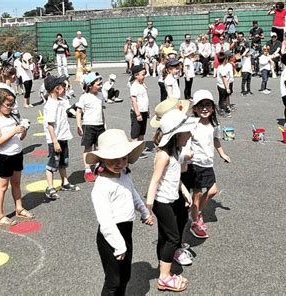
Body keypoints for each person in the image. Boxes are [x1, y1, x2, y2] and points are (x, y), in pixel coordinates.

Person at [87, 129, 153, 295]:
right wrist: (119, 245)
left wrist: (144, 212)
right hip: (110, 237)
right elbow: (105, 220)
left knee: (125, 276)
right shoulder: (102, 186)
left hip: (126, 231)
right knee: (113, 280)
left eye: (123, 158)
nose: (119, 163)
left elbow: (134, 194)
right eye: (113, 159)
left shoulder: (124, 174)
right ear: (102, 159)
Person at [146, 109, 197, 292]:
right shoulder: (164, 155)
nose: (190, 134)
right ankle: (164, 278)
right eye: (187, 131)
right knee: (173, 237)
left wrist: (184, 191)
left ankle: (163, 267)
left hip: (171, 198)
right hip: (161, 202)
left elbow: (174, 177)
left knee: (165, 236)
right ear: (176, 135)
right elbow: (154, 181)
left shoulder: (175, 152)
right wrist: (148, 208)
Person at [181, 89, 230, 239]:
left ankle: (197, 212)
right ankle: (195, 221)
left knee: (213, 190)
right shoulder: (191, 123)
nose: (204, 108)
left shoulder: (214, 123)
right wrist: (186, 156)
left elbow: (215, 139)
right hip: (194, 163)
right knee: (197, 194)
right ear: (194, 108)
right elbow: (184, 140)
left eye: (208, 105)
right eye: (200, 105)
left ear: (212, 107)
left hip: (208, 163)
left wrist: (222, 153)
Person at [0, 88, 34, 226]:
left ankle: (19, 208)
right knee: (2, 186)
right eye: (8, 104)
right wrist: (14, 130)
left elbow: (19, 137)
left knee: (17, 183)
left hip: (17, 153)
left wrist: (23, 130)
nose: (10, 107)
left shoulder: (12, 116)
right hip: (5, 157)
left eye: (12, 104)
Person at [43, 74, 80, 199]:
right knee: (53, 163)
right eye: (63, 86)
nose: (65, 87)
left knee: (63, 162)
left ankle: (65, 182)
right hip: (55, 139)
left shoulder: (61, 101)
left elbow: (69, 110)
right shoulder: (50, 105)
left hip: (63, 136)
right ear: (56, 89)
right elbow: (50, 125)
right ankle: (50, 187)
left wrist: (78, 114)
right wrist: (55, 141)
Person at [76, 72, 106, 183]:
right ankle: (88, 170)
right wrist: (79, 125)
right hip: (88, 125)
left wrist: (104, 123)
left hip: (100, 125)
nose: (101, 86)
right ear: (90, 86)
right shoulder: (84, 97)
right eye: (98, 84)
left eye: (101, 83)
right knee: (88, 148)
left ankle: (99, 166)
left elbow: (101, 111)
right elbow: (78, 112)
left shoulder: (100, 95)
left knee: (99, 147)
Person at [129, 65, 150, 145]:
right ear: (136, 75)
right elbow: (134, 101)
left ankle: (140, 149)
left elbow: (145, 98)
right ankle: (134, 149)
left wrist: (147, 110)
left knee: (142, 132)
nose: (144, 76)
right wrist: (138, 114)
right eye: (143, 74)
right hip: (137, 112)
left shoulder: (142, 85)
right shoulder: (134, 87)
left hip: (144, 111)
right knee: (135, 133)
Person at [216, 53, 232, 117]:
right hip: (223, 86)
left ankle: (221, 109)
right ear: (224, 60)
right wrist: (227, 88)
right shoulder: (222, 68)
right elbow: (224, 78)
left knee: (221, 98)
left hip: (219, 85)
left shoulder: (219, 67)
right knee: (223, 100)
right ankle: (224, 111)